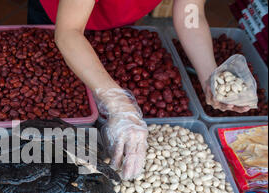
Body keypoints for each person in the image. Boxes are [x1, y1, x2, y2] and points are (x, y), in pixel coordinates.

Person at [28, 0, 251, 180]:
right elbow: (68, 32)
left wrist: (209, 74)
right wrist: (118, 103)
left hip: (120, 13)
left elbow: (190, 12)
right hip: (62, 18)